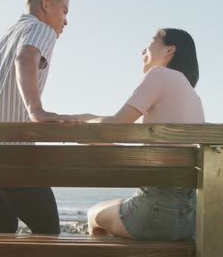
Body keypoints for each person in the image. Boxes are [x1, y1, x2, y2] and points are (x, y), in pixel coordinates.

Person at [83, 28, 203, 240]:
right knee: (113, 206)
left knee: (93, 214)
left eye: (150, 42)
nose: (142, 51)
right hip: (190, 219)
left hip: (155, 214)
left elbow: (115, 127)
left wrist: (83, 124)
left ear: (170, 49)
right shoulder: (192, 95)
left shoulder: (159, 75)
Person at [0, 0, 76, 234]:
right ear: (46, 4)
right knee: (49, 232)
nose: (65, 21)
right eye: (64, 11)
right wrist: (36, 110)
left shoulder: (6, 37)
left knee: (3, 235)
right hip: (10, 155)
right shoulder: (41, 29)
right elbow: (26, 57)